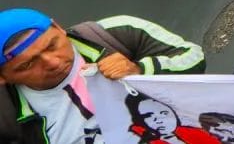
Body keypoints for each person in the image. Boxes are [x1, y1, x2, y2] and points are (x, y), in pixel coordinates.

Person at [0, 8, 205, 144]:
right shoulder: (6, 115)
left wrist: (141, 70)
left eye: (52, 45)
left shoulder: (116, 32)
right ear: (3, 77)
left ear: (58, 28)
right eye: (27, 64)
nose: (53, 62)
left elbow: (194, 57)